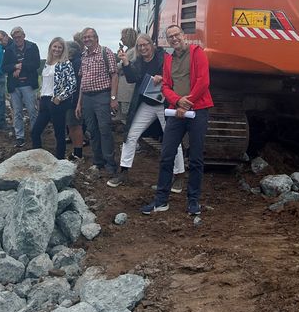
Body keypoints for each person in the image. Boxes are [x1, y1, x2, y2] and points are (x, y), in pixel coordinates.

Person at [141, 25, 213, 216]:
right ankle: (161, 200)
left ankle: (193, 201)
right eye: (170, 37)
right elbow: (165, 85)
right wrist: (176, 101)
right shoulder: (168, 60)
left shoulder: (197, 53)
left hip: (197, 111)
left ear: (183, 35)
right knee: (166, 155)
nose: (174, 39)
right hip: (176, 111)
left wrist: (186, 104)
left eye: (176, 35)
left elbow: (203, 81)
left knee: (196, 158)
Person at [107, 34, 185, 190]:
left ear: (152, 44)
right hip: (147, 103)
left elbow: (175, 74)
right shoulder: (139, 61)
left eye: (145, 45)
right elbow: (132, 78)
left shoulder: (164, 57)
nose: (143, 48)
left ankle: (179, 176)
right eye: (140, 46)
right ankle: (124, 171)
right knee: (131, 134)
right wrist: (126, 62)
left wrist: (162, 77)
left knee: (172, 137)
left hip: (164, 103)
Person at [75, 27, 119, 177]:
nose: (87, 39)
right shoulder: (84, 56)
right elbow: (82, 81)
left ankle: (110, 164)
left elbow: (114, 75)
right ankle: (97, 162)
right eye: (84, 38)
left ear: (96, 38)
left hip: (102, 96)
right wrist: (79, 103)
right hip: (87, 97)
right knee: (92, 131)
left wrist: (113, 98)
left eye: (89, 37)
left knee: (105, 130)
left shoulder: (106, 52)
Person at [31, 37, 76, 158]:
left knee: (59, 133)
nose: (56, 49)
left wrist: (60, 97)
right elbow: (46, 82)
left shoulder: (65, 64)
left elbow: (72, 84)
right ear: (50, 47)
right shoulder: (47, 63)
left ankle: (60, 160)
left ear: (63, 50)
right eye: (54, 46)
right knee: (35, 131)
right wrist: (40, 93)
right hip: (44, 101)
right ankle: (38, 157)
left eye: (59, 47)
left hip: (56, 102)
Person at [2, 27, 41, 148]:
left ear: (24, 35)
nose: (17, 39)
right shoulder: (9, 50)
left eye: (19, 37)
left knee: (32, 111)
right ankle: (20, 137)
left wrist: (21, 67)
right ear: (12, 38)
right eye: (15, 38)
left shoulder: (32, 47)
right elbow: (4, 68)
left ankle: (35, 135)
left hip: (28, 84)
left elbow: (36, 64)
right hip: (15, 85)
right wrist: (15, 66)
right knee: (17, 112)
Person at [66, 40, 85, 160]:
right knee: (72, 125)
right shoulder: (74, 62)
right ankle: (76, 152)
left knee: (75, 125)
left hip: (74, 100)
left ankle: (78, 153)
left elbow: (79, 83)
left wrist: (78, 101)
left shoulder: (77, 62)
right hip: (72, 99)